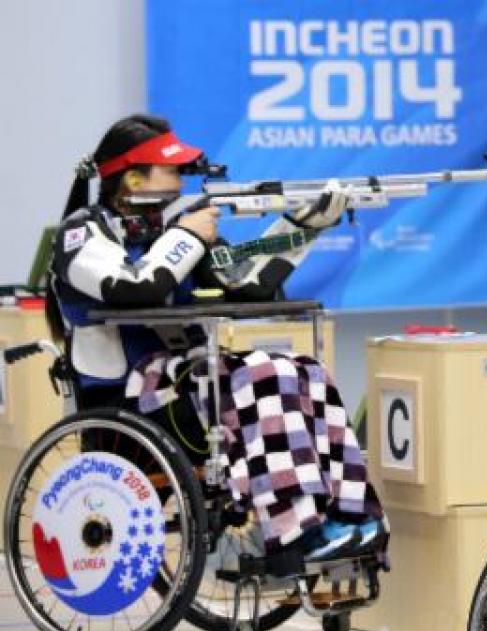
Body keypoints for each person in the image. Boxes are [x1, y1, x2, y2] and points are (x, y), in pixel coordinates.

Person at [48, 114, 384, 560]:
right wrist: (186, 234)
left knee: (302, 371)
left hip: (185, 383)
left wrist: (303, 227)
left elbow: (246, 281)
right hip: (127, 398)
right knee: (264, 374)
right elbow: (132, 286)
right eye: (171, 170)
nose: (182, 180)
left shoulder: (164, 230)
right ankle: (290, 535)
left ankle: (346, 515)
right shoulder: (82, 233)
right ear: (132, 178)